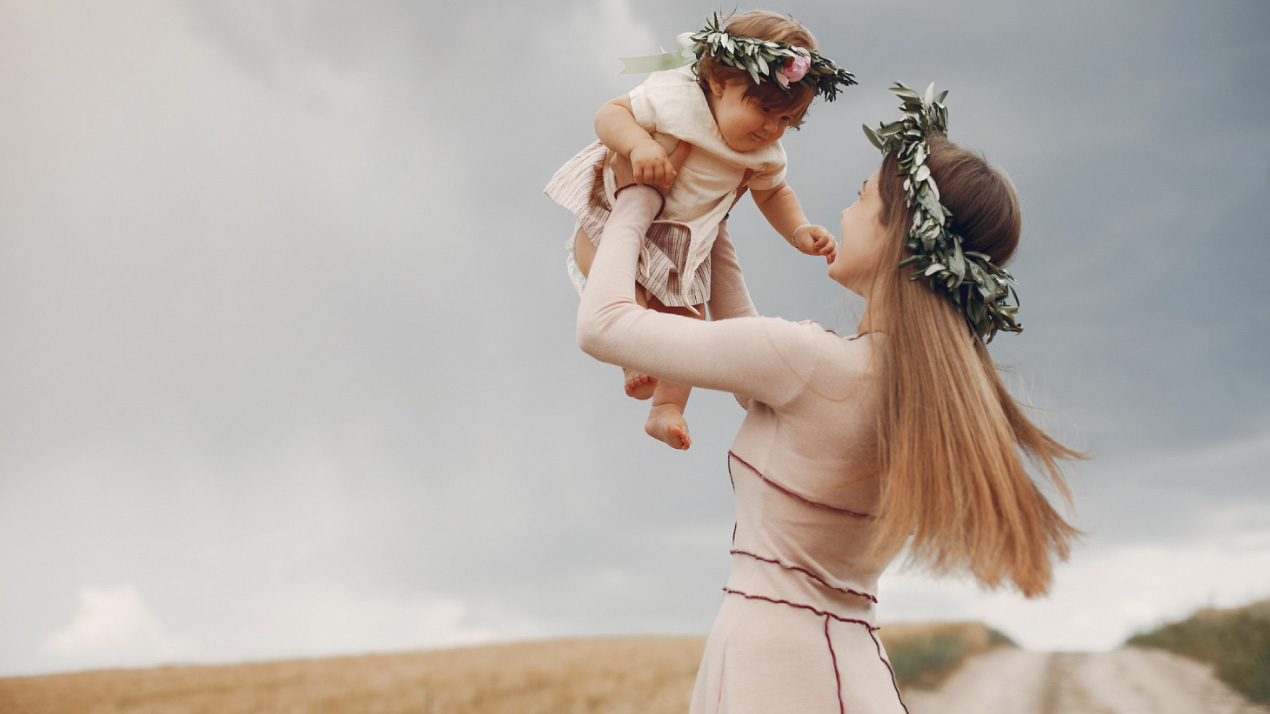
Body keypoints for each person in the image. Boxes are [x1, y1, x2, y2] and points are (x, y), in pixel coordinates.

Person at [576, 84, 1081, 713]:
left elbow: (602, 326)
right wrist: (711, 215)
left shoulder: (815, 365)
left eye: (860, 198)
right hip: (835, 664)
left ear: (896, 234)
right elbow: (752, 365)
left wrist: (637, 198)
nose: (843, 213)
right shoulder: (911, 387)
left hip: (778, 671)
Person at [545, 11, 856, 451]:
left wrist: (800, 229)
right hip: (619, 214)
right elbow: (609, 114)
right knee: (620, 285)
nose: (772, 128)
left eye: (787, 120)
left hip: (684, 246)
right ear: (717, 82)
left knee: (686, 327)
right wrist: (640, 144)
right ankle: (630, 354)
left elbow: (773, 194)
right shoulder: (677, 100)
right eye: (764, 110)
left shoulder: (766, 154)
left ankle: (666, 409)